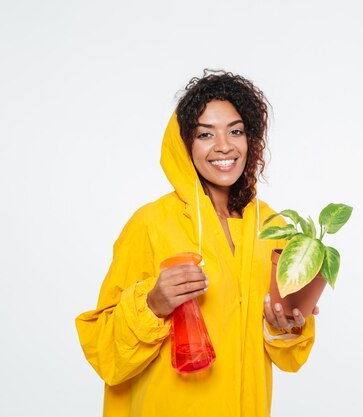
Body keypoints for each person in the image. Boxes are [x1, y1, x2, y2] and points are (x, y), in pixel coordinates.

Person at [76, 70, 317, 417]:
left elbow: (288, 357)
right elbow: (105, 353)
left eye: (235, 131)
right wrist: (152, 304)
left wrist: (286, 326)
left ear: (251, 139)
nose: (224, 145)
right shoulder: (151, 223)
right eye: (206, 134)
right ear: (186, 144)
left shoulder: (275, 229)